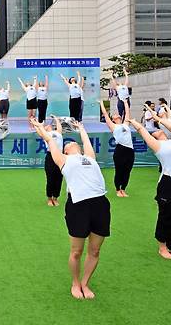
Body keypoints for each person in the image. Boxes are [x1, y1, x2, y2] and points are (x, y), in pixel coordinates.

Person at [30, 118, 110, 300]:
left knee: (95, 250)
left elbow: (87, 141)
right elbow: (50, 140)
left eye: (75, 143)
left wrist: (81, 128)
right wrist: (40, 127)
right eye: (70, 143)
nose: (73, 144)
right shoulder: (63, 159)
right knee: (77, 251)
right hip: (78, 205)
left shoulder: (89, 157)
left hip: (100, 204)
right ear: (65, 150)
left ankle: (85, 283)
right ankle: (75, 283)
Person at [128, 104, 171, 260]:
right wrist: (133, 121)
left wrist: (160, 118)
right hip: (169, 183)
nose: (157, 130)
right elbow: (143, 131)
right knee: (166, 215)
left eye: (158, 128)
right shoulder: (158, 145)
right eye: (155, 131)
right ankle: (162, 247)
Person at [100, 99, 134, 197]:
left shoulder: (126, 124)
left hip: (130, 150)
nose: (117, 115)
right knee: (119, 170)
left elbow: (127, 112)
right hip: (120, 150)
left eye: (117, 114)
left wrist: (125, 102)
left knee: (127, 171)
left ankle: (123, 189)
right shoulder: (113, 126)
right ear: (113, 119)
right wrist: (101, 103)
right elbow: (105, 115)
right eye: (114, 115)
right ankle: (118, 189)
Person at [42, 114, 64, 206]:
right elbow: (40, 129)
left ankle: (55, 198)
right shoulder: (46, 135)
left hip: (60, 156)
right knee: (50, 178)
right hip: (50, 156)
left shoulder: (58, 133)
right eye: (47, 126)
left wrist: (56, 118)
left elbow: (59, 127)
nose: (49, 125)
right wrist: (41, 125)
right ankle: (49, 198)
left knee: (59, 178)